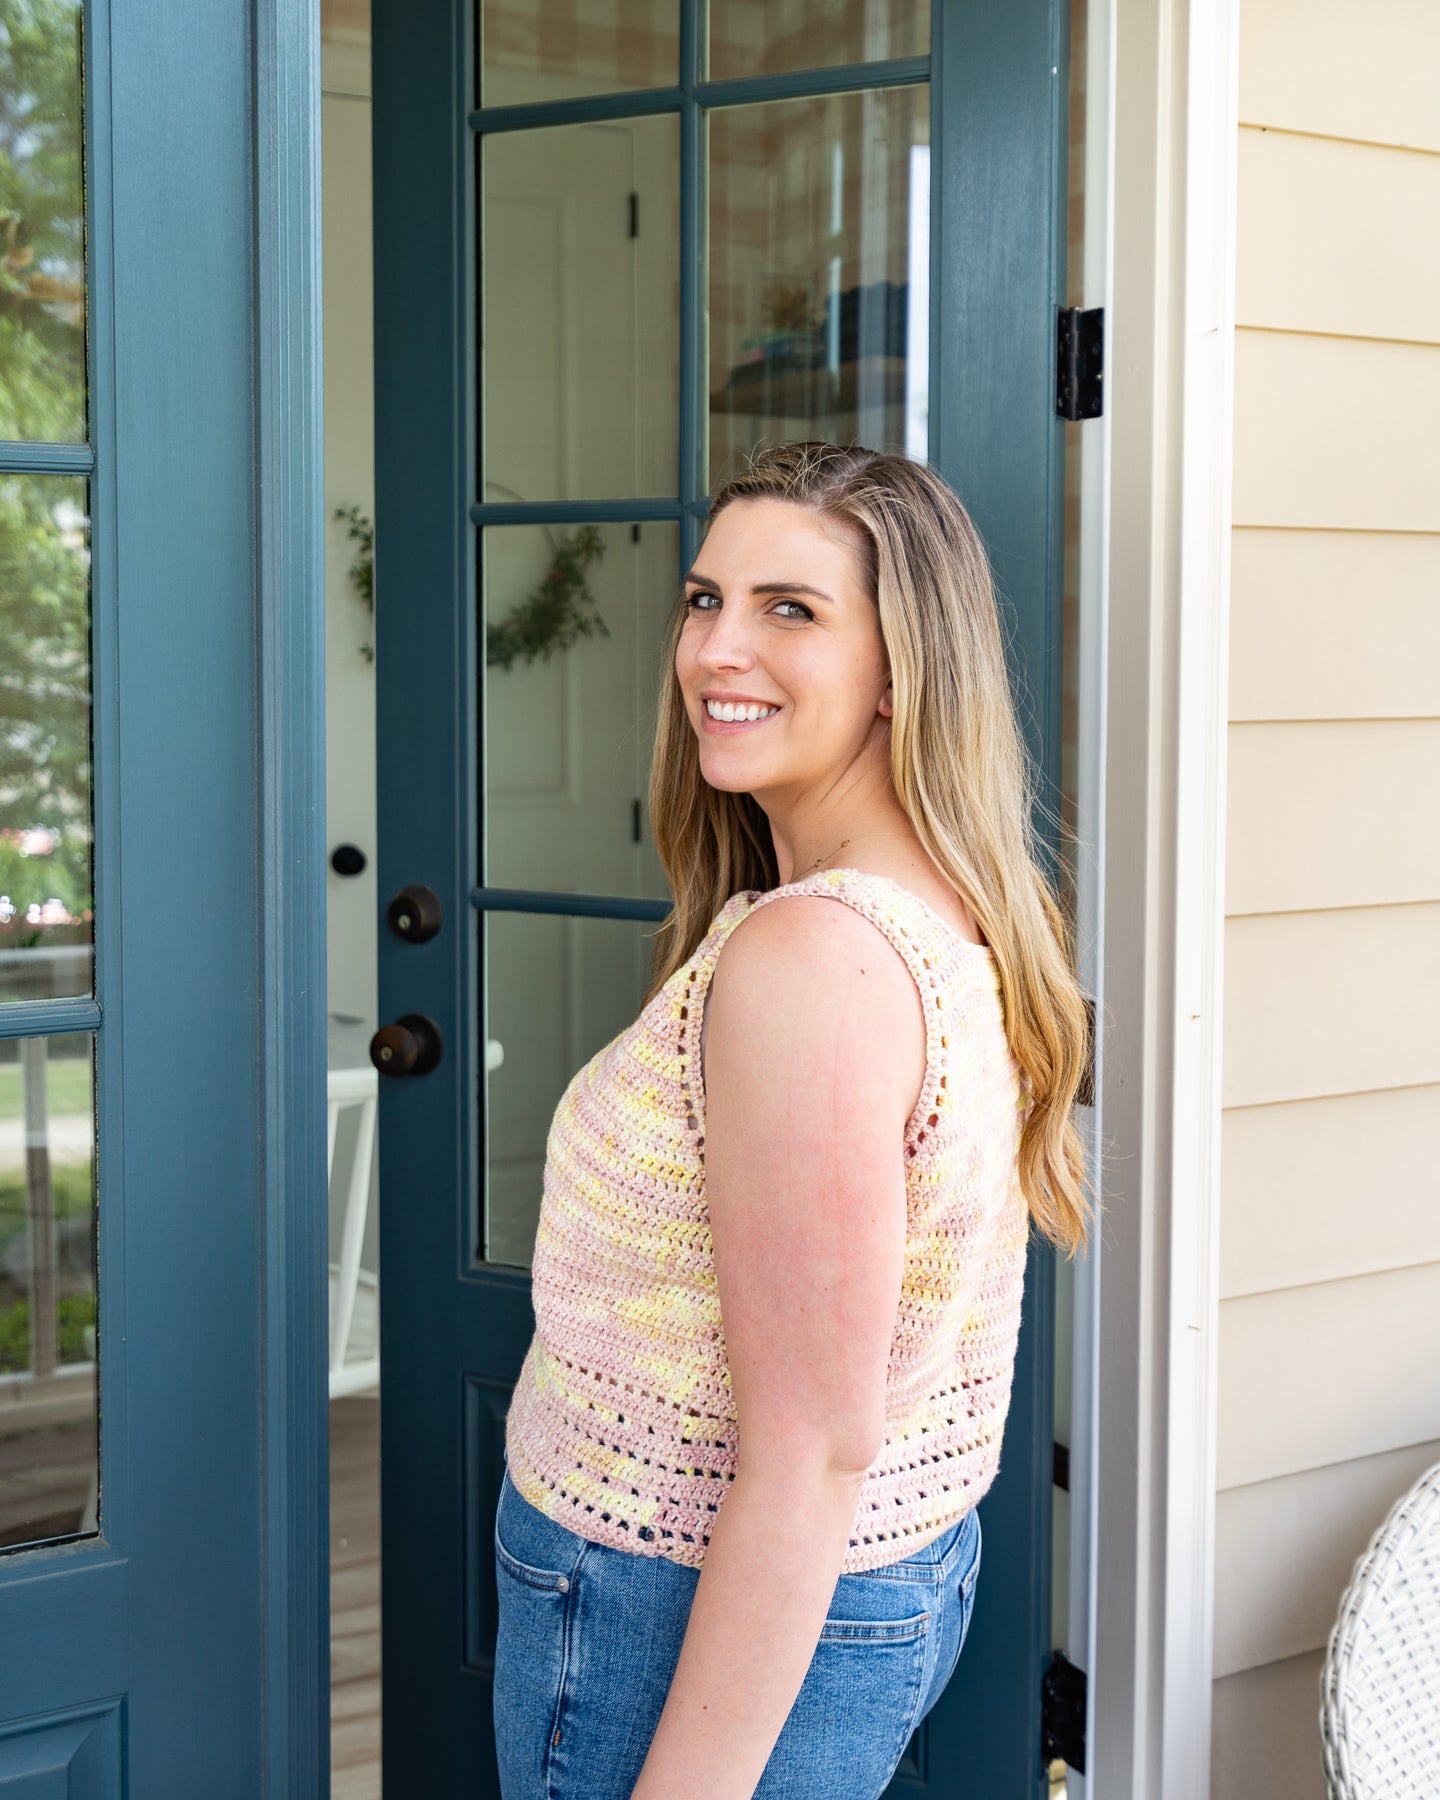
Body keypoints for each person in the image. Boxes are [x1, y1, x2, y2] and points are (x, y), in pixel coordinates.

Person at [492, 441, 1092, 1800]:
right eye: (705, 599)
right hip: (837, 1576)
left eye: (791, 610)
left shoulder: (815, 963)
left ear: (901, 672)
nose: (718, 649)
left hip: (675, 1599)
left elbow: (812, 1452)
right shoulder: (937, 902)